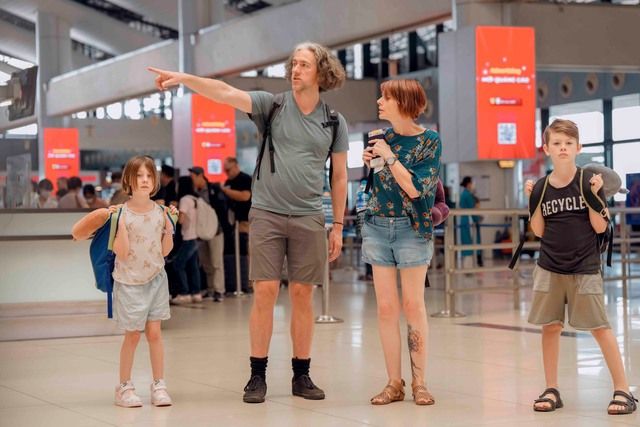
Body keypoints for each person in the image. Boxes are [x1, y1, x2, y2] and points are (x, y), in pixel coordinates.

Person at [148, 40, 349, 403]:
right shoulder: (272, 105)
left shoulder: (334, 121)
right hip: (268, 212)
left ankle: (301, 374)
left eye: (304, 64)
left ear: (321, 71)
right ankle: (257, 374)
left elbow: (339, 176)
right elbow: (224, 92)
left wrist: (337, 225)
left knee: (303, 294)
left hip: (309, 216)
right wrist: (184, 78)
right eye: (294, 63)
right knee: (265, 291)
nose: (295, 70)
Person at [526, 119, 636, 415]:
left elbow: (600, 227)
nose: (563, 148)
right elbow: (539, 230)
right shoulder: (542, 186)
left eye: (568, 143)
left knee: (599, 327)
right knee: (550, 327)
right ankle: (551, 388)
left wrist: (595, 196)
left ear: (578, 147)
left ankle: (623, 390)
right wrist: (531, 200)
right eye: (557, 143)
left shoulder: (588, 181)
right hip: (549, 267)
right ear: (546, 148)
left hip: (585, 267)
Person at [361, 79, 441, 406]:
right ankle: (394, 382)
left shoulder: (429, 141)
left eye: (386, 97)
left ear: (404, 102)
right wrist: (372, 161)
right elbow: (378, 182)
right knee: (385, 308)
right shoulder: (382, 138)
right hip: (377, 225)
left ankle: (420, 382)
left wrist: (390, 158)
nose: (379, 102)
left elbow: (416, 188)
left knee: (413, 305)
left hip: (412, 227)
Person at [75, 155, 176, 407]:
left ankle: (159, 384)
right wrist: (119, 227)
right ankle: (124, 387)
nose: (145, 180)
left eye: (149, 175)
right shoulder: (120, 213)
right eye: (139, 175)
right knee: (132, 335)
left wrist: (169, 227)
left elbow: (165, 251)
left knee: (155, 334)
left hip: (157, 280)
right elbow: (122, 252)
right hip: (129, 282)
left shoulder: (161, 212)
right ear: (128, 180)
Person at [190, 166, 227, 302]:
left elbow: (222, 209)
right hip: (200, 232)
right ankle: (210, 289)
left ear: (200, 176)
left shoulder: (213, 190)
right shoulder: (193, 192)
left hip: (216, 231)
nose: (192, 180)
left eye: (193, 177)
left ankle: (219, 290)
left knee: (216, 262)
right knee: (206, 263)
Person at [170, 176, 202, 304]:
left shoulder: (184, 200)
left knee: (178, 264)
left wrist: (174, 212)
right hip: (196, 236)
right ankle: (196, 293)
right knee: (193, 266)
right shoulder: (195, 199)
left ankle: (184, 293)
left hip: (188, 237)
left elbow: (181, 220)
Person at [222, 157, 252, 294]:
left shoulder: (245, 179)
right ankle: (240, 282)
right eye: (225, 170)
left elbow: (245, 196)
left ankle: (250, 282)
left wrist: (226, 191)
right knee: (239, 254)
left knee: (249, 252)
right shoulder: (228, 182)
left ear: (236, 166)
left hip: (247, 222)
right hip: (234, 223)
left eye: (228, 169)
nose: (227, 173)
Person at [458, 176, 475, 269]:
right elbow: (472, 209)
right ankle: (468, 267)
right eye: (471, 183)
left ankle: (466, 266)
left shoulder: (463, 194)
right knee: (468, 243)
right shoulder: (467, 195)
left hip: (463, 220)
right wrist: (477, 219)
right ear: (468, 184)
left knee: (465, 242)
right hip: (468, 220)